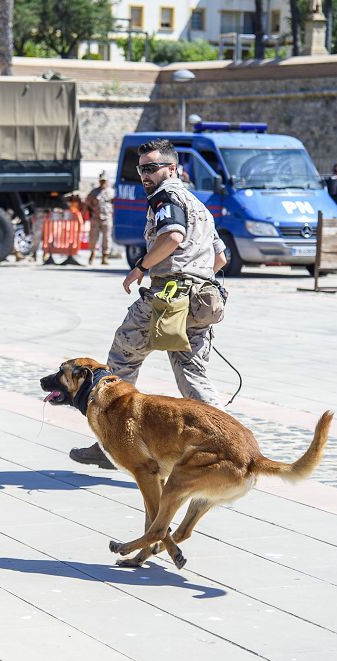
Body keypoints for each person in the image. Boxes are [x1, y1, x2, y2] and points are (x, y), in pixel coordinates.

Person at [69, 138, 229, 469]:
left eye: (152, 168)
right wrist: (195, 277)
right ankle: (226, 442)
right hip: (200, 300)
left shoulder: (165, 197)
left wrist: (141, 268)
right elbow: (220, 257)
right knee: (192, 374)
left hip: (166, 298)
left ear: (173, 169)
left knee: (120, 361)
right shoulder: (198, 205)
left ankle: (112, 443)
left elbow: (172, 236)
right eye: (141, 168)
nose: (145, 175)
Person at [85, 172, 115, 265]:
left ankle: (104, 257)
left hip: (107, 218)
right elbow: (87, 202)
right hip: (95, 218)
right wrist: (91, 211)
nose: (103, 183)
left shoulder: (112, 192)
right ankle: (92, 253)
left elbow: (115, 203)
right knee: (93, 237)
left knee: (106, 238)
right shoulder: (94, 192)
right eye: (101, 181)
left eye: (104, 181)